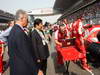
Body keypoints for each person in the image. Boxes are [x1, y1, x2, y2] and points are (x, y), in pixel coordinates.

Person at [8, 9, 37, 75]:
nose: (28, 21)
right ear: (22, 18)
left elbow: (10, 52)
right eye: (26, 18)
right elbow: (27, 55)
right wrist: (36, 71)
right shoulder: (19, 32)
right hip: (23, 70)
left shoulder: (13, 30)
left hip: (15, 69)